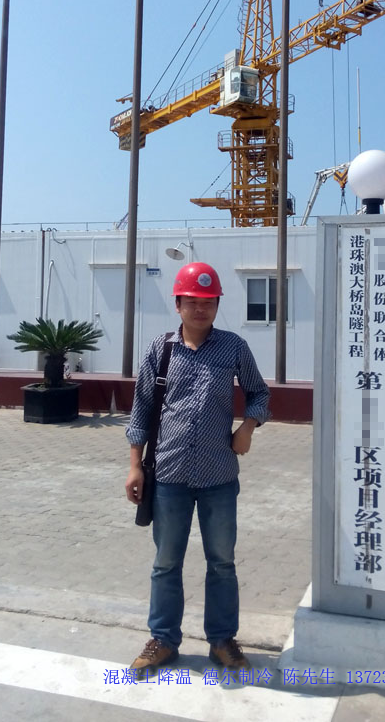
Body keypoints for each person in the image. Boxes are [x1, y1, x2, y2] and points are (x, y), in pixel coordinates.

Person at [125, 261, 270, 673]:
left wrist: (248, 427)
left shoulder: (234, 348)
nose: (200, 308)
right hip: (168, 476)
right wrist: (135, 466)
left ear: (217, 305)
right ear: (178, 304)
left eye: (208, 301)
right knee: (166, 563)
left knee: (221, 562)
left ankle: (222, 641)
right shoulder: (161, 350)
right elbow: (141, 409)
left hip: (218, 476)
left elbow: (260, 393)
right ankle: (163, 640)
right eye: (192, 301)